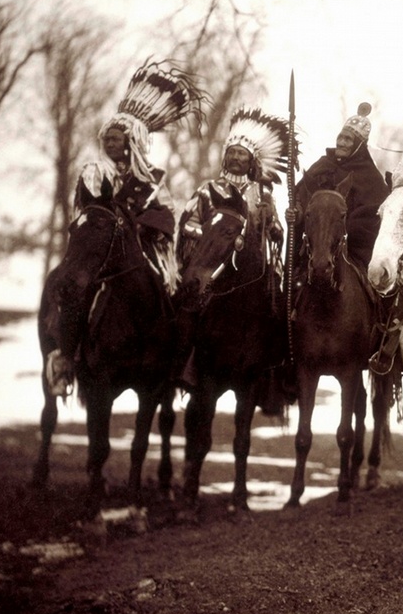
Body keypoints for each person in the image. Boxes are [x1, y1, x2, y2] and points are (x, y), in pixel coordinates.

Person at [46, 60, 205, 397]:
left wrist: (143, 225)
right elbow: (90, 209)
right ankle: (67, 359)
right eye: (108, 138)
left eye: (118, 138)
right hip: (98, 250)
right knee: (76, 292)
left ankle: (173, 365)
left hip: (143, 252)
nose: (111, 143)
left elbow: (165, 216)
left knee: (172, 294)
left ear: (133, 142)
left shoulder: (152, 179)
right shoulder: (94, 172)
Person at [175, 107, 292, 394]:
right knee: (189, 306)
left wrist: (274, 222)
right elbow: (188, 222)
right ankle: (184, 365)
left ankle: (274, 372)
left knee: (278, 307)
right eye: (233, 152)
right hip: (212, 267)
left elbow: (276, 234)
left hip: (252, 270)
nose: (237, 158)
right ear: (226, 156)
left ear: (251, 160)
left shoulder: (262, 194)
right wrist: (209, 239)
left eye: (243, 154)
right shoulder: (208, 189)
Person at [284, 102, 395, 373]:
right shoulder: (322, 166)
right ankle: (285, 344)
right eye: (341, 137)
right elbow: (302, 197)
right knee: (289, 286)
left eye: (349, 139)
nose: (342, 142)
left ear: (360, 144)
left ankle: (383, 336)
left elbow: (375, 213)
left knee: (381, 287)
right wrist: (295, 213)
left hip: (355, 246)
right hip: (315, 246)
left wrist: (345, 230)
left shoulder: (370, 177)